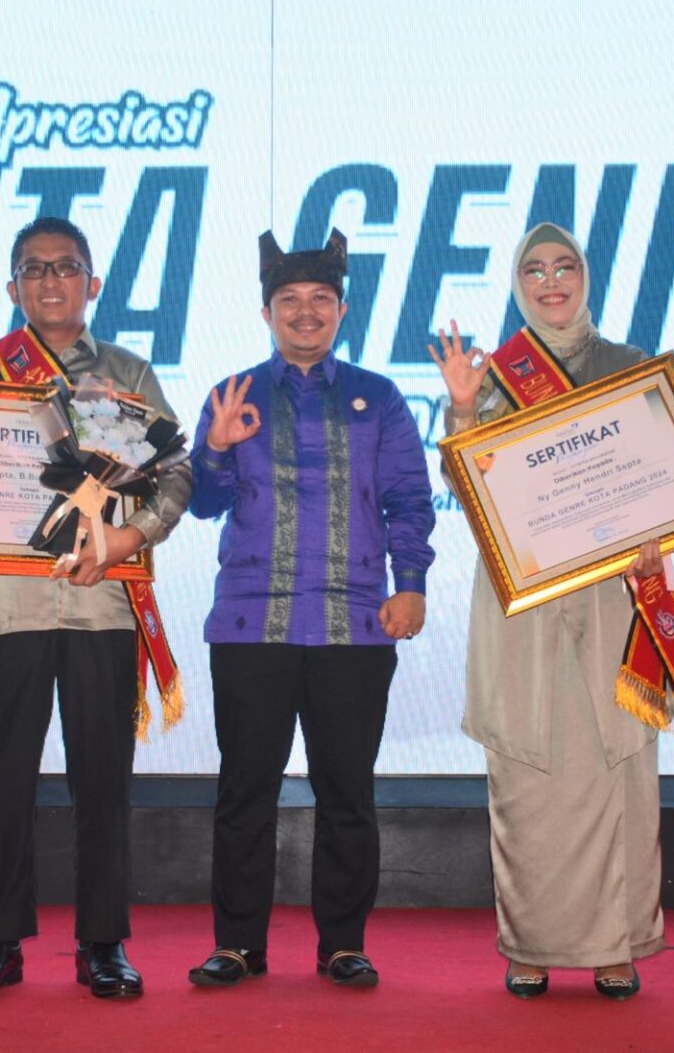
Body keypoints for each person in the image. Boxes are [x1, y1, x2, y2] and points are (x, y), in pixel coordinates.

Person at [0, 215, 190, 999]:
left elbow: (177, 473)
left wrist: (132, 538)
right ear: (12, 287)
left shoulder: (127, 372)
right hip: (8, 605)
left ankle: (104, 943)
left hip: (101, 604)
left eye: (66, 266)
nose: (51, 280)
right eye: (34, 268)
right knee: (3, 778)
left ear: (93, 283)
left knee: (103, 779)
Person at [431, 223, 674, 1000]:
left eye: (564, 267)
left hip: (614, 599)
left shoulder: (633, 368)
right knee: (529, 773)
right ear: (518, 282)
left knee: (617, 765)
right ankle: (530, 943)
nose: (551, 280)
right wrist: (462, 413)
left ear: (586, 276)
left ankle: (616, 943)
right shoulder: (491, 378)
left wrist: (664, 536)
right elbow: (472, 497)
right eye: (534, 268)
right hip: (522, 606)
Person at [184, 229, 435, 989]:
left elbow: (408, 501)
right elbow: (202, 503)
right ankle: (237, 943)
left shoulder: (379, 396)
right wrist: (216, 451)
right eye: (289, 300)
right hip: (250, 622)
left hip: (355, 625)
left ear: (342, 309)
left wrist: (412, 581)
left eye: (320, 299)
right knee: (245, 787)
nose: (304, 312)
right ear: (267, 311)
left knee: (348, 790)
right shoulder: (233, 395)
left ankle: (342, 943)